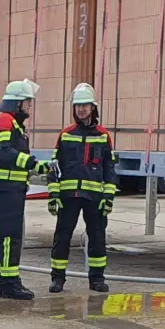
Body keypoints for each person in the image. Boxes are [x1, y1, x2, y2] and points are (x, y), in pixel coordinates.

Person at [47, 83, 117, 293]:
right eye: (78, 106)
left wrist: (109, 197)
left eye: (85, 105)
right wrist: (53, 193)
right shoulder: (66, 134)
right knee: (62, 237)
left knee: (97, 237)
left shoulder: (103, 136)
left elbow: (109, 169)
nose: (81, 109)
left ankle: (97, 279)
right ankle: (57, 279)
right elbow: (54, 167)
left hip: (94, 197)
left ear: (93, 108)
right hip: (68, 196)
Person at [0, 79, 49, 301]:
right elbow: (4, 152)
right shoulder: (5, 121)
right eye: (27, 103)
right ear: (17, 103)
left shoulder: (14, 125)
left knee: (7, 236)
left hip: (10, 187)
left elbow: (12, 156)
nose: (30, 107)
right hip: (5, 188)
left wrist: (37, 167)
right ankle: (9, 282)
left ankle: (3, 281)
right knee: (11, 236)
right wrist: (32, 163)